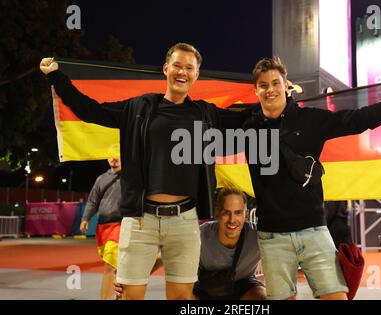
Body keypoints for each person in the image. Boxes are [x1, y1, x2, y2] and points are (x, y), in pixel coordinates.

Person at [39, 43, 252, 300]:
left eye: (189, 68)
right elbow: (90, 110)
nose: (182, 72)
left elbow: (248, 119)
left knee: (183, 299)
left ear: (197, 74)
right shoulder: (138, 108)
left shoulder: (205, 114)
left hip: (184, 221)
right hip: (140, 221)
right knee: (129, 296)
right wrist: (56, 77)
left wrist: (281, 97)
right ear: (166, 68)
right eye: (177, 65)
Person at [242, 57, 381, 300]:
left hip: (314, 231)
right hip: (272, 236)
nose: (270, 89)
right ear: (256, 90)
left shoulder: (311, 120)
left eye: (275, 83)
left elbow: (361, 119)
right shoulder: (246, 127)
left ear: (286, 86)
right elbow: (206, 129)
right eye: (263, 85)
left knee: (337, 297)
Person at [114, 187, 266, 300]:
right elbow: (161, 259)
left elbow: (282, 253)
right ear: (217, 212)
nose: (232, 220)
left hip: (243, 286)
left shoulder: (258, 237)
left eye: (238, 212)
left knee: (263, 298)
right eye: (226, 212)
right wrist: (126, 279)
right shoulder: (200, 235)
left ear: (246, 215)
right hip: (204, 287)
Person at [80, 157, 122, 300]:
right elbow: (93, 201)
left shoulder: (131, 177)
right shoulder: (101, 179)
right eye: (110, 155)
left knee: (109, 266)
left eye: (117, 154)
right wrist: (85, 219)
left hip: (121, 225)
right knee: (116, 267)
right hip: (103, 226)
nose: (114, 159)